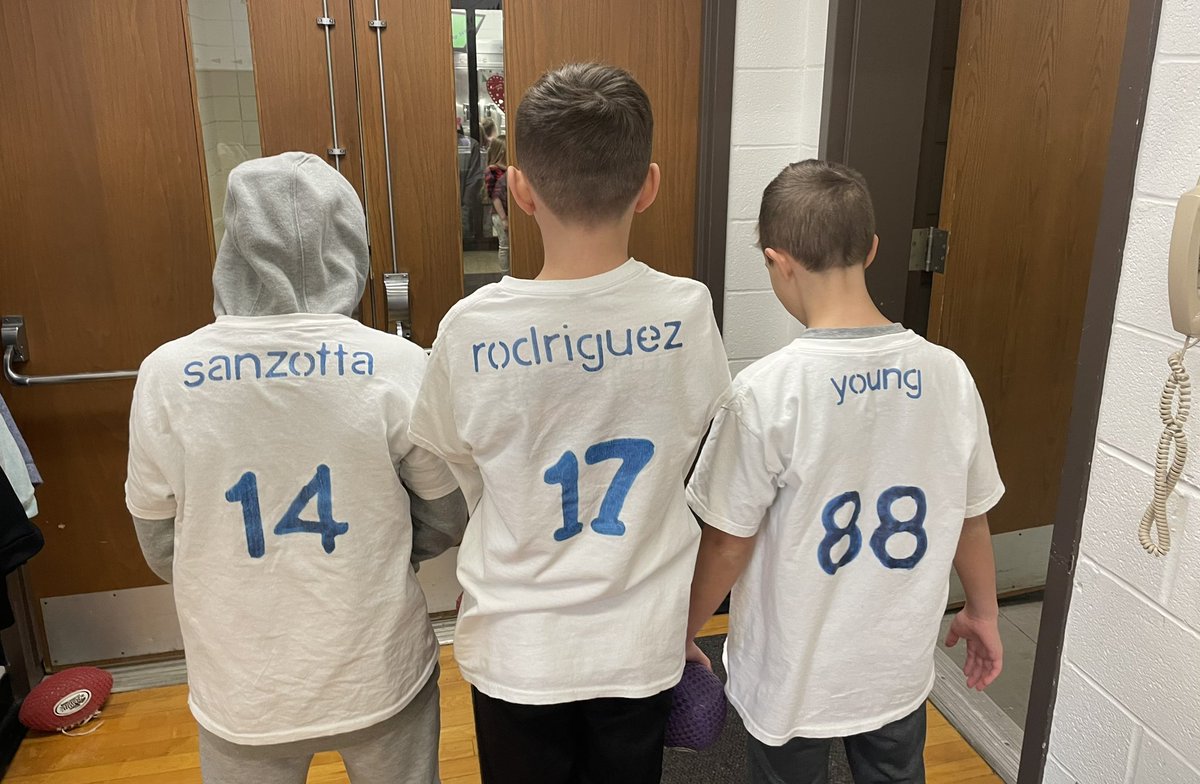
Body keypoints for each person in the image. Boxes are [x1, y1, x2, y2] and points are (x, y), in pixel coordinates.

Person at [408, 63, 732, 784]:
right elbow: (701, 440)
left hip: (516, 646)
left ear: (517, 190)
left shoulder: (470, 327)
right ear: (648, 185)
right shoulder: (686, 311)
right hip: (639, 641)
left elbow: (444, 461)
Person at [125, 152, 468, 784]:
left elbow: (160, 539)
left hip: (242, 691)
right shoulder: (397, 364)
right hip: (378, 671)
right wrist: (378, 550)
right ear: (351, 247)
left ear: (233, 245)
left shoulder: (165, 374)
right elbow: (447, 516)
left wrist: (234, 569)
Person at [683, 160, 1005, 784]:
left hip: (793, 677)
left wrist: (682, 633)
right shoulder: (949, 375)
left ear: (777, 261)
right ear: (873, 250)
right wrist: (984, 612)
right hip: (896, 670)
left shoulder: (765, 394)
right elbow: (971, 514)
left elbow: (727, 541)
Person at [484, 135, 509, 272]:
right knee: (504, 245)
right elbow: (494, 196)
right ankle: (505, 274)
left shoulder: (509, 168)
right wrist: (504, 218)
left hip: (510, 212)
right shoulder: (492, 170)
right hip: (500, 214)